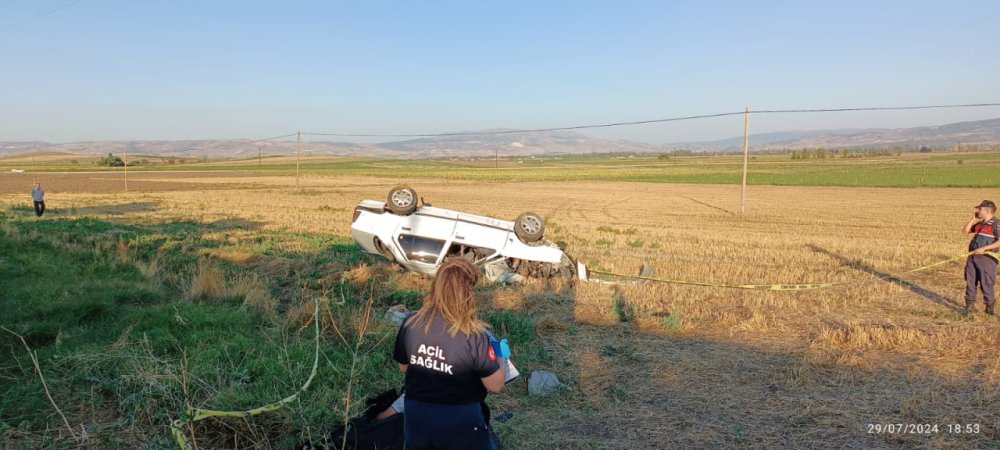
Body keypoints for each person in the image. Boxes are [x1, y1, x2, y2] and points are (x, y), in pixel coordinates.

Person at [393, 257, 505, 450]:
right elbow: (495, 385)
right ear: (468, 294)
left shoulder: (410, 323)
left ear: (435, 286)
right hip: (461, 422)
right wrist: (501, 355)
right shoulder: (475, 335)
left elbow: (404, 367)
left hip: (416, 420)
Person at [963, 200, 1000, 316]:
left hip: (987, 259)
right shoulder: (979, 223)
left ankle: (989, 307)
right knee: (970, 281)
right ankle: (969, 306)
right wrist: (973, 219)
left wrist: (984, 248)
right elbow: (965, 231)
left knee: (986, 283)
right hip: (972, 256)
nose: (977, 211)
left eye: (980, 209)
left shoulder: (996, 224)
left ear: (987, 210)